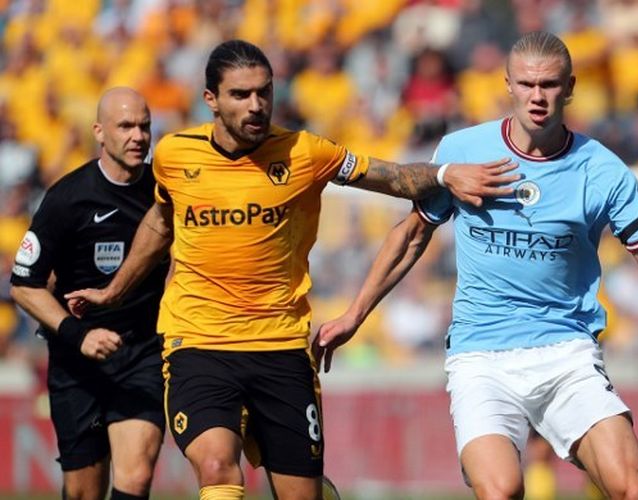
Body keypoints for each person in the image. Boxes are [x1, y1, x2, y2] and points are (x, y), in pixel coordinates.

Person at [65, 40, 519, 500]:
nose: (256, 105)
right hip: (199, 342)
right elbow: (162, 222)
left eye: (264, 92)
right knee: (217, 466)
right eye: (240, 95)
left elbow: (395, 178)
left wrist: (444, 176)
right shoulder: (174, 155)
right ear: (211, 101)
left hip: (279, 345)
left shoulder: (307, 153)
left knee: (302, 494)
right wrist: (113, 291)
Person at [314, 31, 638, 500]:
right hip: (481, 355)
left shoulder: (603, 170)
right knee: (501, 491)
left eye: (550, 85)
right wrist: (355, 314)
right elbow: (412, 235)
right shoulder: (463, 153)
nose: (538, 96)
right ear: (508, 85)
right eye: (528, 84)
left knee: (631, 489)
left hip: (566, 351)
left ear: (570, 87)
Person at [9, 88, 167, 500]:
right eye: (126, 126)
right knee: (84, 493)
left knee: (135, 477)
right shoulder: (67, 199)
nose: (138, 136)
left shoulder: (165, 193)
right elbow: (24, 285)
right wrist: (80, 336)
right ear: (99, 132)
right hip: (77, 363)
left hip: (143, 354)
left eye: (145, 126)